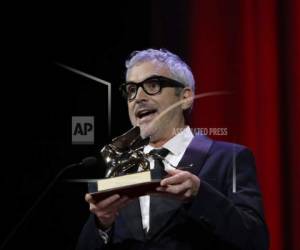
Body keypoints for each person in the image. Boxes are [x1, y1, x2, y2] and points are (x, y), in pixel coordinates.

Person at [76, 49, 269, 250]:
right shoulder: (122, 171)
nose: (138, 97)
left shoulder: (230, 158)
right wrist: (102, 223)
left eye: (153, 85)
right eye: (131, 90)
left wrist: (200, 194)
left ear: (185, 97)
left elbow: (255, 240)